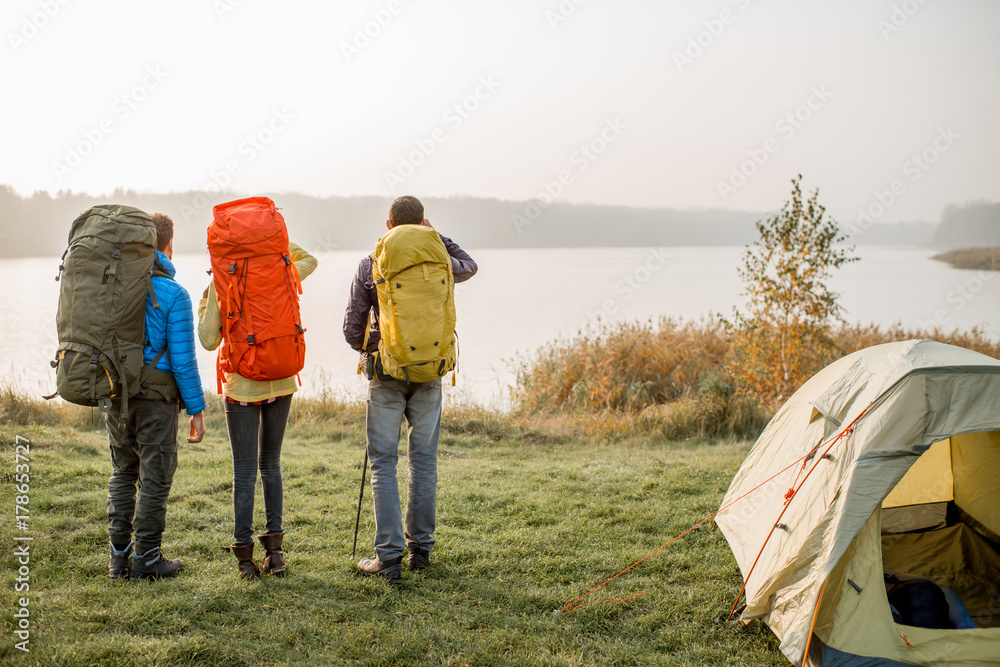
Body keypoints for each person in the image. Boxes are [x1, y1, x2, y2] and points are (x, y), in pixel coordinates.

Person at [343, 195, 477, 583]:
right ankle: (420, 550)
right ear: (423, 223)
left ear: (389, 225)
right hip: (431, 371)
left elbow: (352, 331)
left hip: (386, 374)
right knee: (424, 461)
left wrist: (377, 346)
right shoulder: (442, 262)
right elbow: (470, 264)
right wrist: (433, 236)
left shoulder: (372, 263)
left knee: (383, 462)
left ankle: (387, 558)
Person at [199, 237, 317, 579]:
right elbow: (309, 259)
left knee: (244, 470)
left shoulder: (222, 277)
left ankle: (245, 561)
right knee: (271, 463)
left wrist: (207, 299)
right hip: (282, 379)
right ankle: (276, 555)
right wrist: (277, 247)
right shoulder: (284, 271)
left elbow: (208, 340)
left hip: (242, 386)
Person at [107, 212, 206, 580]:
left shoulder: (114, 286)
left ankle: (119, 560)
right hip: (156, 402)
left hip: (118, 398)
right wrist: (196, 409)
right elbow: (182, 362)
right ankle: (147, 559)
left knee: (122, 472)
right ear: (167, 245)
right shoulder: (174, 293)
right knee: (155, 476)